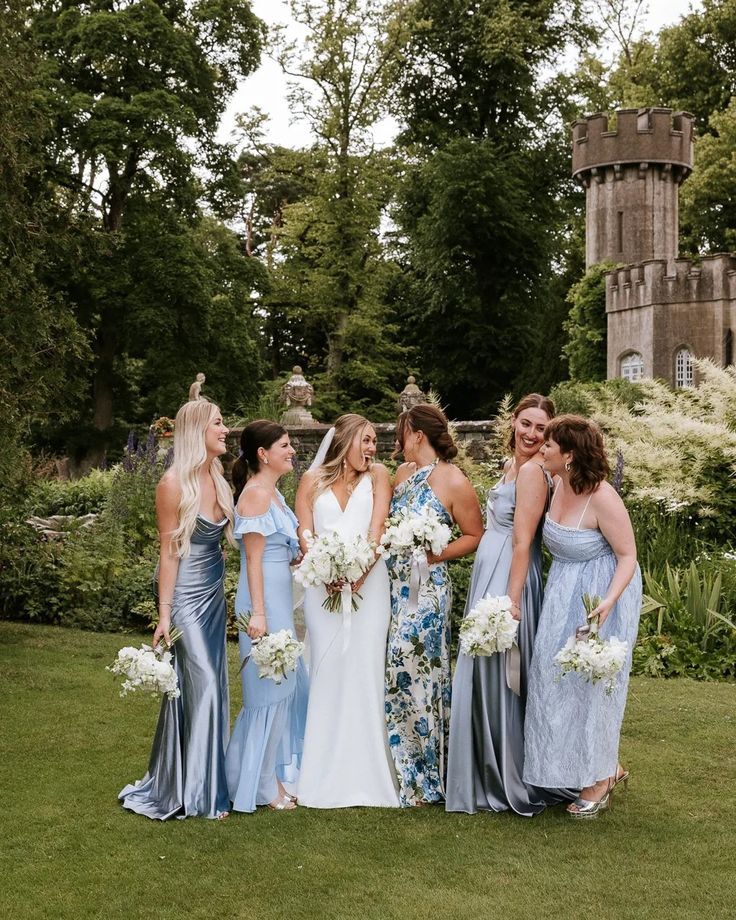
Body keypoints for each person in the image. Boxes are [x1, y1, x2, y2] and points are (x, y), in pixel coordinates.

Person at [446, 394, 566, 816]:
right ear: (513, 423)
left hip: (508, 576)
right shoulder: (511, 466)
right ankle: (484, 766)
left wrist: (510, 601)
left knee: (500, 670)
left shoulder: (533, 473)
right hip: (489, 571)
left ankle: (506, 771)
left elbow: (523, 542)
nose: (531, 434)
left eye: (540, 429)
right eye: (526, 424)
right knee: (483, 668)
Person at [120, 400, 234, 820]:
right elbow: (168, 554)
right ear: (197, 430)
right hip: (184, 598)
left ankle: (196, 781)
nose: (225, 429)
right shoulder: (172, 484)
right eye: (218, 423)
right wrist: (164, 614)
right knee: (202, 683)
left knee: (211, 686)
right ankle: (201, 796)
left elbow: (222, 545)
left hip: (214, 597)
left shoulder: (219, 478)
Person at [523, 415, 641, 818]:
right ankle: (599, 765)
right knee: (554, 677)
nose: (542, 448)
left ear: (569, 455)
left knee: (592, 685)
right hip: (562, 589)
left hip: (603, 593)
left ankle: (599, 780)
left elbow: (628, 556)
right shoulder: (555, 482)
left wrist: (608, 603)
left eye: (550, 445)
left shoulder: (602, 497)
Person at [295, 415, 400, 808]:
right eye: (367, 440)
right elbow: (305, 534)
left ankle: (369, 774)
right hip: (323, 592)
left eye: (375, 442)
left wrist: (357, 576)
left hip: (370, 590)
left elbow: (378, 530)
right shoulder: (312, 481)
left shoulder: (378, 477)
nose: (373, 448)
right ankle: (320, 772)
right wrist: (324, 571)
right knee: (327, 671)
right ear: (346, 439)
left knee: (364, 669)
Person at [385, 404, 483, 807]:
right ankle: (398, 765)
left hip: (427, 590)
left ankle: (426, 775)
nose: (397, 441)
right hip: (392, 588)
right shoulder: (402, 475)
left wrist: (433, 555)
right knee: (395, 669)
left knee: (420, 670)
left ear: (418, 434)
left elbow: (475, 534)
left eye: (401, 433)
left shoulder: (453, 480)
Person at [225, 421, 308, 812]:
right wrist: (259, 615)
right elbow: (253, 562)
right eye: (286, 445)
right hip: (262, 605)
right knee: (267, 694)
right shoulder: (256, 495)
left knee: (283, 690)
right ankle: (259, 785)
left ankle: (265, 775)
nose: (292, 451)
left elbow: (277, 552)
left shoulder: (274, 495)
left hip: (276, 599)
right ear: (263, 453)